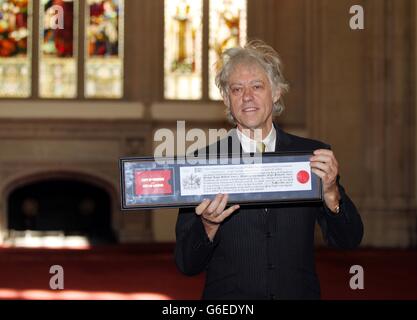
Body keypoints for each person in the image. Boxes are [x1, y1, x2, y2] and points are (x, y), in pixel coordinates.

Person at [174, 40, 363, 300]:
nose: (247, 97)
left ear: (276, 93)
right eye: (237, 89)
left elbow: (349, 240)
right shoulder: (202, 162)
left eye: (257, 86)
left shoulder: (310, 157)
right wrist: (207, 225)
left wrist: (331, 193)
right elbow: (187, 263)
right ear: (227, 100)